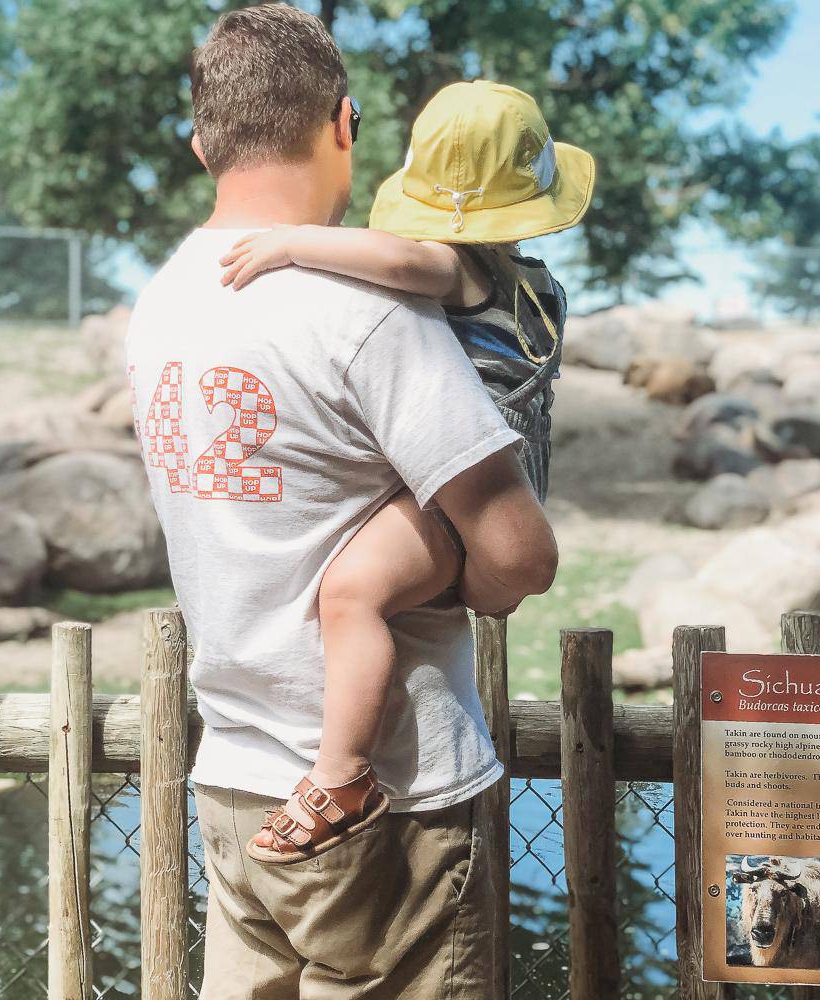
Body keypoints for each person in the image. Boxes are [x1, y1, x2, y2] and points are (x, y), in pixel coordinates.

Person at [125, 5, 559, 997]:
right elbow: (517, 562)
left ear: (202, 147)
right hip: (392, 807)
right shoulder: (367, 308)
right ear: (344, 123)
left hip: (235, 783)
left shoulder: (161, 303)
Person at [215, 80, 594, 865]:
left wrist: (290, 241)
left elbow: (399, 257)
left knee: (352, 592)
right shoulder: (539, 284)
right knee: (459, 590)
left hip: (459, 481)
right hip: (512, 475)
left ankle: (343, 771)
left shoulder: (451, 270)